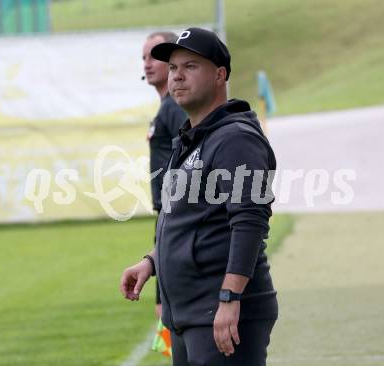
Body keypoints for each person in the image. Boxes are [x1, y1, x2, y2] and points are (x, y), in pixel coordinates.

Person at [121, 27, 278, 365]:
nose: (177, 76)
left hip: (221, 309)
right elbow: (185, 220)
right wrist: (151, 262)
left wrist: (230, 297)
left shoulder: (236, 138)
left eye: (190, 67)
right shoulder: (190, 139)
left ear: (220, 75)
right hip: (189, 313)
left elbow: (250, 220)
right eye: (174, 68)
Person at [142, 31, 187, 319]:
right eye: (143, 57)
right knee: (167, 312)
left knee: (170, 312)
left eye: (154, 56)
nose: (147, 63)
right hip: (166, 212)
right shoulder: (165, 108)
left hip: (177, 212)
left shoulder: (174, 108)